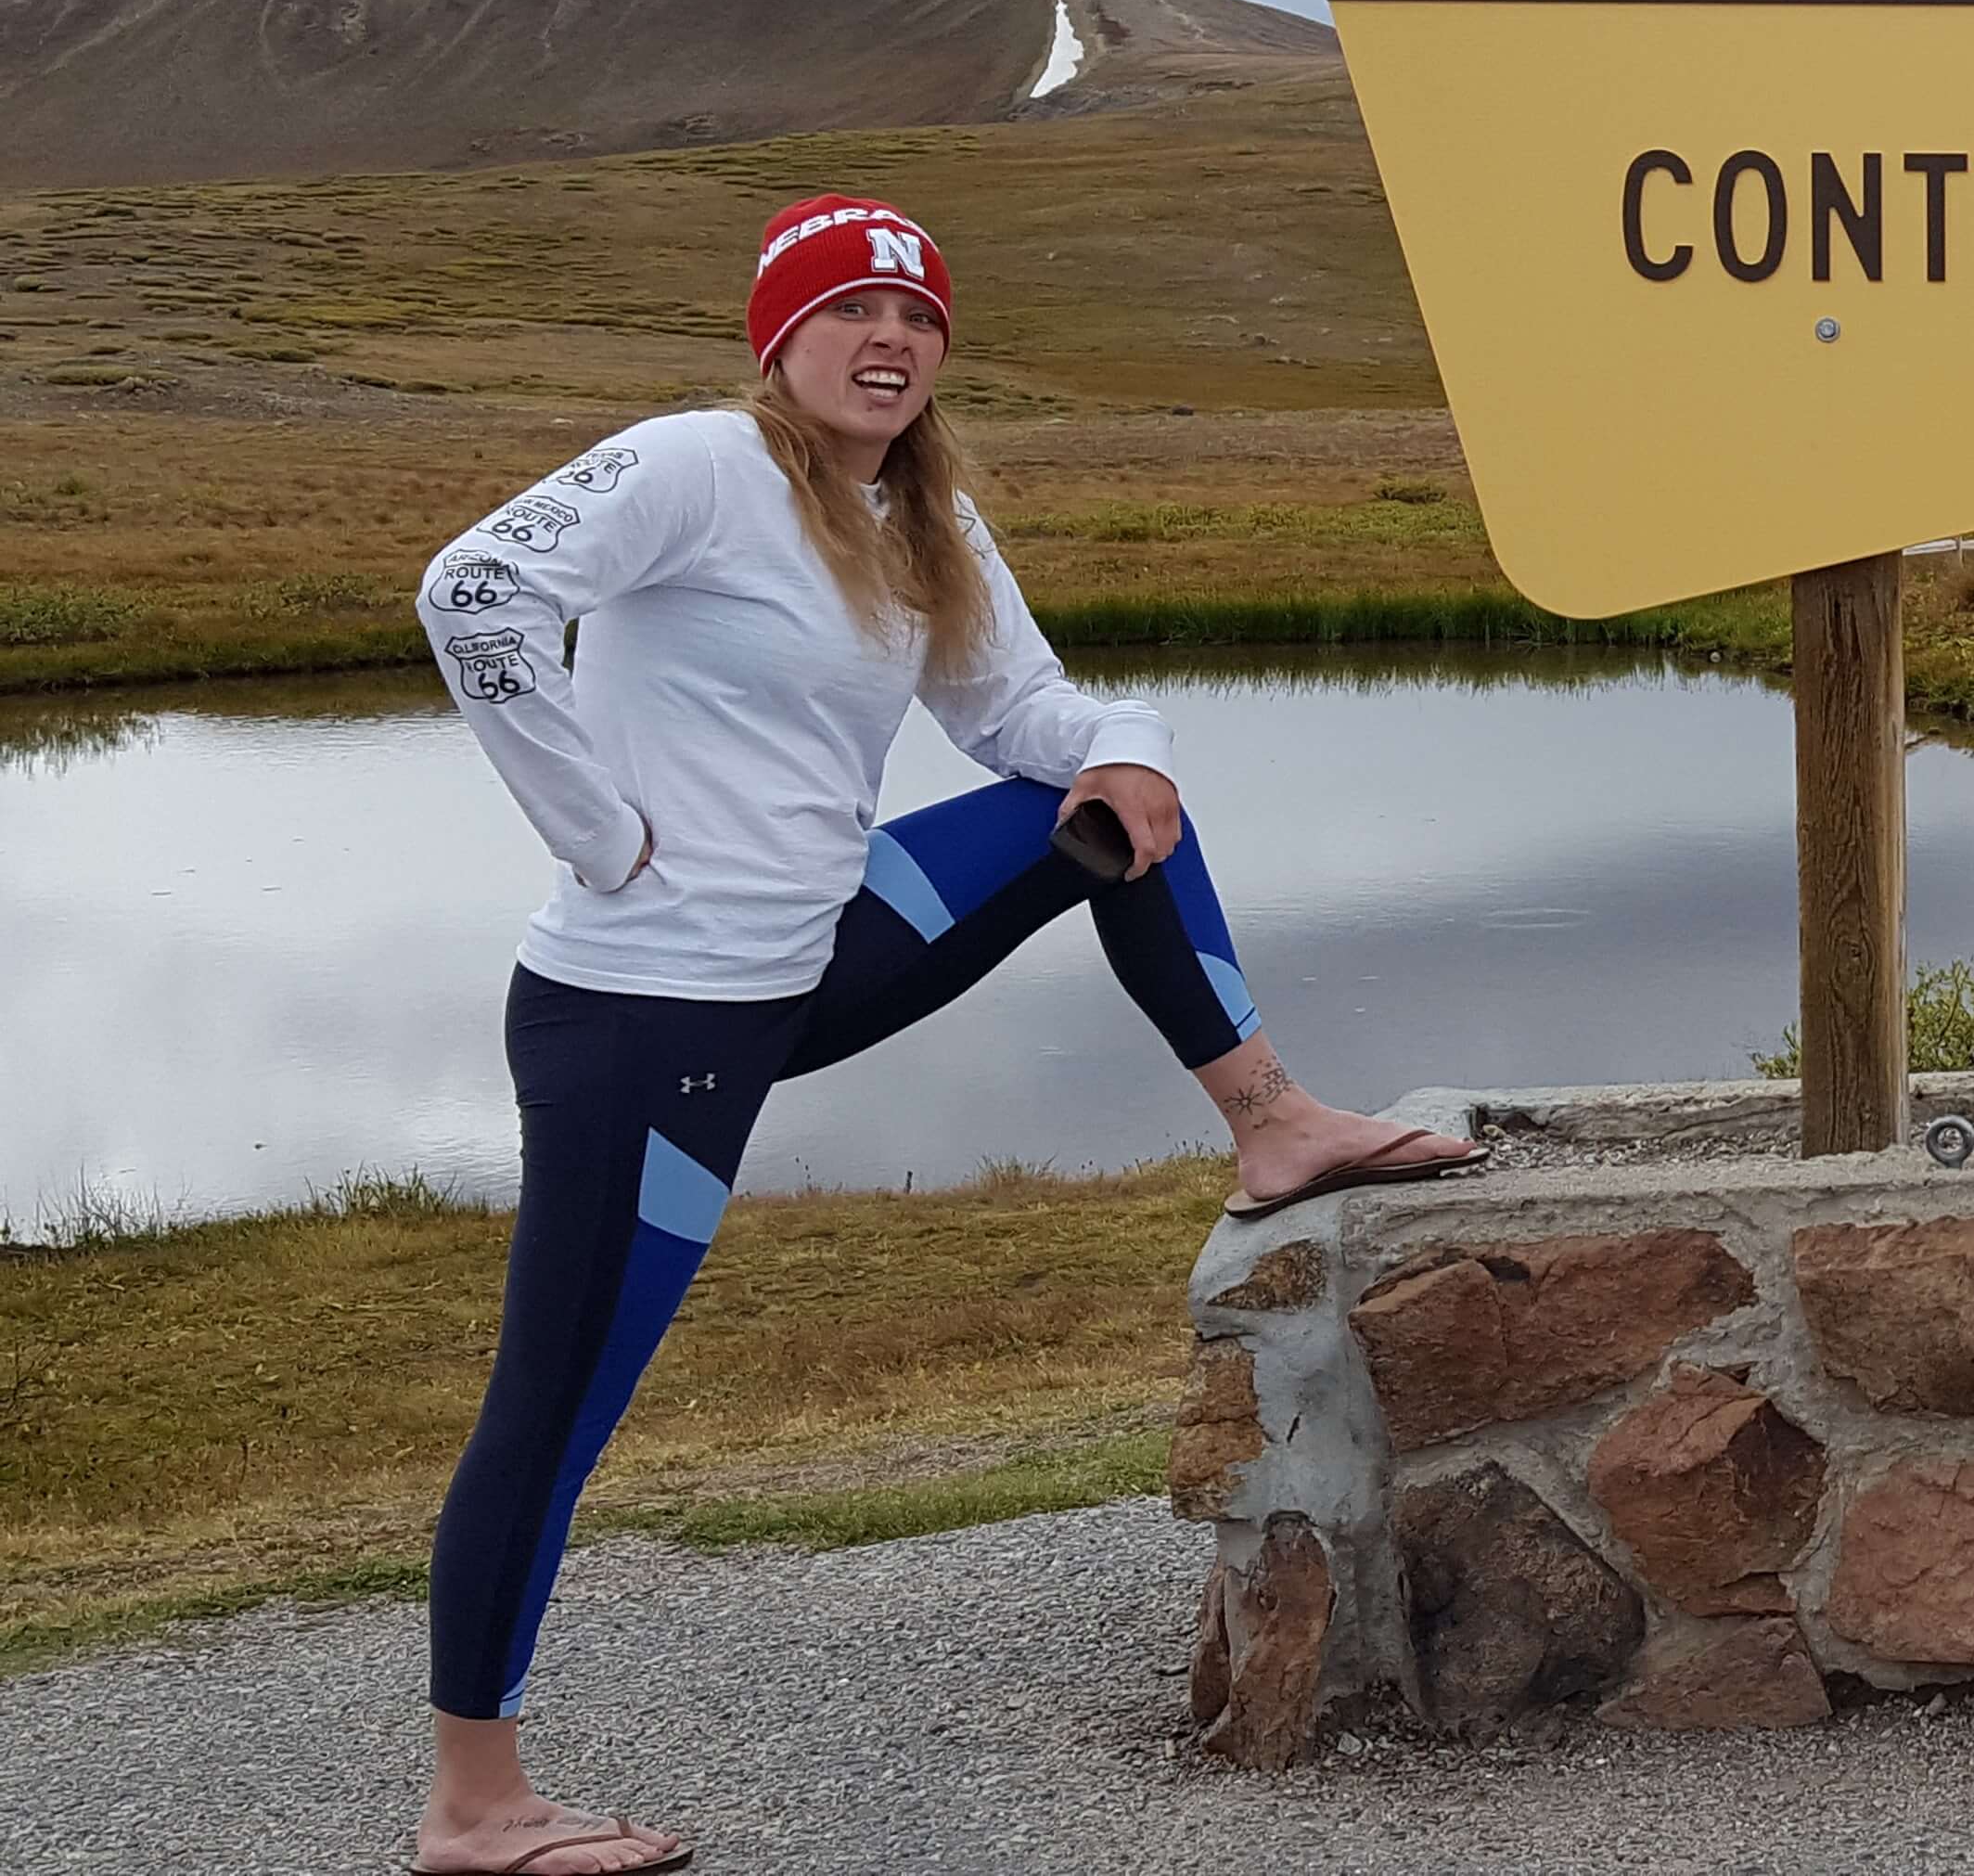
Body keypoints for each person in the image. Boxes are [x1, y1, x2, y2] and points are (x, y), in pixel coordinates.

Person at [402, 193, 1480, 1876]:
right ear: (781, 340)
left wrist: (1133, 743)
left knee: (1108, 812)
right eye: (849, 313)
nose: (888, 339)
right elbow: (473, 594)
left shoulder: (921, 515)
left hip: (812, 958)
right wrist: (596, 832)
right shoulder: (702, 466)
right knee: (554, 1406)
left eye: (915, 316)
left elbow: (1024, 713)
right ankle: (475, 1804)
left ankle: (1268, 1115)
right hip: (650, 1019)